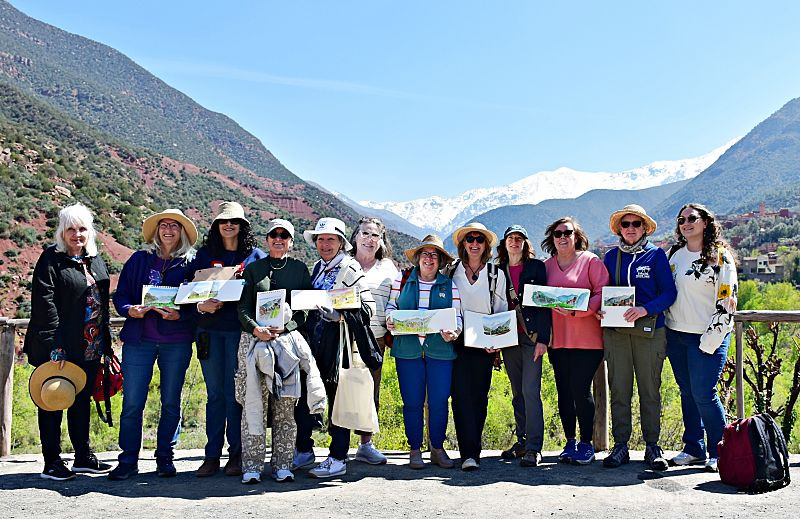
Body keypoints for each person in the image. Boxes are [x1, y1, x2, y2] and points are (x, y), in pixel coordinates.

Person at [23, 203, 113, 480]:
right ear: (62, 232)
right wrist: (55, 345)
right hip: (57, 346)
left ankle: (82, 457)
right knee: (52, 400)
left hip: (89, 344)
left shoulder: (94, 259)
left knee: (81, 400)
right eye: (71, 229)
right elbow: (44, 304)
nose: (77, 235)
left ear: (90, 232)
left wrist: (105, 342)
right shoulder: (51, 259)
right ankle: (52, 462)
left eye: (82, 229)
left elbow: (101, 302)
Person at [109, 209, 198, 480]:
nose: (168, 230)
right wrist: (129, 310)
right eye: (164, 225)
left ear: (182, 232)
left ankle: (165, 458)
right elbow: (121, 294)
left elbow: (200, 302)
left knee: (171, 401)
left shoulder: (192, 265)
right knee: (133, 402)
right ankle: (127, 460)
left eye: (174, 226)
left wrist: (181, 314)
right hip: (139, 340)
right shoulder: (139, 260)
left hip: (177, 341)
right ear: (157, 230)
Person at [236, 218, 320, 483]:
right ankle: (252, 466)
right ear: (267, 239)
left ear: (291, 242)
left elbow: (305, 308)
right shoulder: (253, 270)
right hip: (254, 341)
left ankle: (283, 463)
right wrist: (254, 329)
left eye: (284, 235)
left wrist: (288, 327)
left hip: (286, 344)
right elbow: (243, 308)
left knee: (285, 406)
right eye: (274, 234)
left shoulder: (299, 270)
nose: (279, 239)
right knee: (254, 404)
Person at [296, 217, 379, 479]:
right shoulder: (318, 268)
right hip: (314, 342)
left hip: (338, 346)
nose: (325, 244)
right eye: (321, 239)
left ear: (341, 243)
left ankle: (338, 456)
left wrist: (340, 316)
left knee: (338, 401)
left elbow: (368, 309)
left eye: (330, 239)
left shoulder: (349, 269)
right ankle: (304, 449)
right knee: (307, 395)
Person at [190, 202, 267, 477]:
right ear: (216, 225)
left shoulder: (255, 257)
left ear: (242, 225)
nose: (229, 225)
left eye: (234, 221)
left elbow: (265, 294)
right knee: (215, 395)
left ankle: (237, 454)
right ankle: (211, 455)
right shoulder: (203, 256)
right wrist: (201, 306)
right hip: (209, 333)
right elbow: (187, 295)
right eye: (224, 221)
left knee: (237, 395)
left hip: (240, 333)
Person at [599, 205, 677, 471]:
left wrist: (645, 309)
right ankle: (621, 445)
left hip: (651, 333)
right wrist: (600, 306)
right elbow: (601, 291)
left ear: (644, 228)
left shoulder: (655, 256)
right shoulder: (610, 257)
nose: (630, 228)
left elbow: (669, 293)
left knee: (649, 391)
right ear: (619, 229)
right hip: (617, 334)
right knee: (619, 389)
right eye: (625, 224)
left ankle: (653, 446)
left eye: (635, 224)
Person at [665, 203, 738, 473]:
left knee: (704, 393)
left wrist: (710, 341)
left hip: (707, 337)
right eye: (682, 219)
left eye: (692, 218)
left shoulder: (720, 256)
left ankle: (719, 450)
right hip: (676, 334)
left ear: (705, 222)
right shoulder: (674, 254)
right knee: (687, 392)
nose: (686, 223)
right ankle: (693, 448)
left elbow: (727, 300)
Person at [385, 235, 462, 469]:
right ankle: (415, 449)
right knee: (412, 402)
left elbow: (457, 317)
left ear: (440, 261)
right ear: (418, 258)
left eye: (434, 255)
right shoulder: (403, 279)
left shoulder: (450, 285)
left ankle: (437, 448)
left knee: (439, 401)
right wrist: (390, 319)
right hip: (408, 350)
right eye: (425, 254)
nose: (429, 259)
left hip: (440, 351)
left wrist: (454, 332)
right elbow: (391, 306)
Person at [541, 217, 609, 465]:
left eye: (567, 232)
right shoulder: (546, 266)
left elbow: (603, 292)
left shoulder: (590, 261)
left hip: (588, 340)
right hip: (557, 341)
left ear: (576, 235)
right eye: (558, 233)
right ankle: (569, 442)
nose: (562, 237)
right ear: (552, 237)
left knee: (580, 390)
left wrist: (578, 311)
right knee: (563, 392)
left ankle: (586, 443)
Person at [446, 222, 507, 471]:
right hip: (457, 340)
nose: (474, 243)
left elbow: (502, 311)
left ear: (486, 245)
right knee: (459, 397)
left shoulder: (496, 274)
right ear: (463, 244)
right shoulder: (451, 271)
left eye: (479, 240)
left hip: (485, 342)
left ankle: (475, 450)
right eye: (469, 239)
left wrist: (497, 343)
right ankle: (467, 453)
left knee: (479, 398)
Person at [496, 225, 552, 467]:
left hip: (531, 336)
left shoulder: (536, 268)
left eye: (519, 238)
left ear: (525, 243)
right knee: (517, 392)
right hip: (507, 338)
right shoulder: (497, 270)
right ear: (505, 243)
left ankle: (534, 447)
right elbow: (493, 306)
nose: (515, 242)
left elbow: (545, 303)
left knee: (531, 392)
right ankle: (522, 440)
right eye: (511, 238)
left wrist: (543, 339)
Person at [349, 216, 399, 465]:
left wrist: (392, 315)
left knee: (370, 391)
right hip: (343, 338)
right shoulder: (343, 263)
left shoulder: (389, 268)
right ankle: (338, 444)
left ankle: (365, 444)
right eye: (365, 234)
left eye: (375, 236)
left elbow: (395, 300)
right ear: (356, 236)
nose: (370, 239)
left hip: (375, 339)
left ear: (381, 241)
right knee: (341, 391)